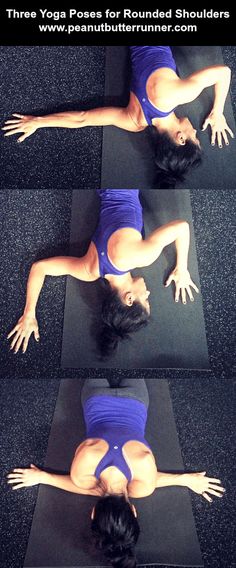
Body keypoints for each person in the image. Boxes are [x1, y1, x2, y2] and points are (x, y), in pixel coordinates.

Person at [7, 378, 225, 568]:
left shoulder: (143, 478)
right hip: (95, 398)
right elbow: (82, 485)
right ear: (93, 512)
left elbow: (151, 480)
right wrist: (43, 477)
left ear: (133, 510)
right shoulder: (84, 468)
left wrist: (185, 480)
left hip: (135, 400)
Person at [2, 46, 234, 186]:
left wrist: (218, 112)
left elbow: (224, 72)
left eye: (195, 138)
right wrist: (39, 122)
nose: (196, 131)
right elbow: (83, 119)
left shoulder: (181, 94)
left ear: (180, 138)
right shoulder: (134, 121)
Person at [7, 189, 199, 357]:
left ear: (129, 298)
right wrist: (29, 313)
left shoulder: (141, 257)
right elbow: (40, 268)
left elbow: (182, 227)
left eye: (146, 300)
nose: (149, 294)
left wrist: (182, 268)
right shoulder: (89, 270)